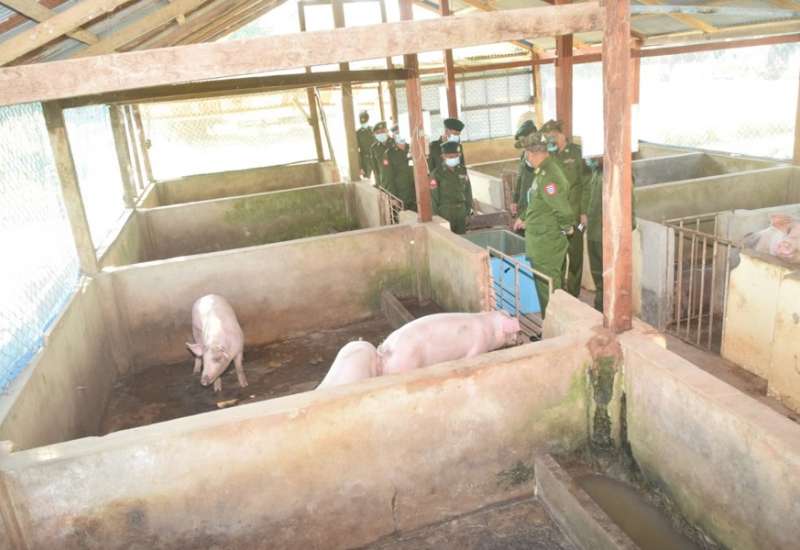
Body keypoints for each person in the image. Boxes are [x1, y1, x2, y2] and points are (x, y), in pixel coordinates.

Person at [512, 132, 576, 318]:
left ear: (531, 153)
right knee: (546, 286)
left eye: (526, 153)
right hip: (541, 239)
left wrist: (566, 228)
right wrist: (525, 217)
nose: (526, 157)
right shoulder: (542, 171)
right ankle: (551, 323)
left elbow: (563, 210)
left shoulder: (549, 176)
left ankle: (552, 325)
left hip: (546, 242)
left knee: (548, 288)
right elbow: (540, 203)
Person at [541, 119, 589, 298]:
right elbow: (548, 183)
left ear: (560, 134)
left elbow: (586, 184)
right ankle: (559, 291)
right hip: (557, 216)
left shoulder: (577, 153)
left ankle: (573, 293)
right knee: (558, 254)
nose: (549, 140)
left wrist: (584, 211)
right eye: (547, 137)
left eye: (551, 136)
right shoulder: (550, 155)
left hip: (576, 215)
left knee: (575, 254)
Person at [584, 155, 637, 312]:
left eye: (594, 155)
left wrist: (622, 231)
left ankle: (612, 311)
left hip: (609, 234)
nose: (591, 158)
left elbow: (628, 205)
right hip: (594, 232)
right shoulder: (596, 171)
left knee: (611, 275)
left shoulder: (619, 173)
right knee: (598, 274)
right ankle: (600, 307)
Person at [430, 140, 473, 234]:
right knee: (446, 239)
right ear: (443, 156)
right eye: (450, 157)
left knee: (461, 239)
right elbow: (433, 198)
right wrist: (435, 218)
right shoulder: (436, 174)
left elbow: (468, 192)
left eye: (456, 156)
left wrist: (469, 211)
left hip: (461, 213)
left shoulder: (462, 171)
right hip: (445, 213)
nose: (453, 159)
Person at [381, 124, 417, 211]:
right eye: (397, 133)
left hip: (415, 195)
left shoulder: (413, 149)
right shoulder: (389, 154)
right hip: (400, 197)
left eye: (402, 133)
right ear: (393, 136)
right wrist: (393, 197)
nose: (400, 135)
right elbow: (388, 178)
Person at [510, 120, 537, 234]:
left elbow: (545, 195)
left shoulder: (543, 159)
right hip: (523, 205)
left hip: (534, 210)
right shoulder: (524, 155)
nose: (524, 146)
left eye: (525, 141)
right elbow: (520, 178)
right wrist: (515, 200)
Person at [356, 110, 377, 179]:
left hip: (375, 157)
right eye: (362, 122)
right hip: (365, 159)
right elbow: (357, 150)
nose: (363, 123)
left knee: (379, 178)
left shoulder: (373, 130)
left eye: (365, 121)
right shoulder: (358, 133)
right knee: (366, 179)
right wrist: (360, 166)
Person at [370, 121, 391, 190]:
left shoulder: (395, 144)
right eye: (378, 133)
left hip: (399, 184)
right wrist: (378, 184)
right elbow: (375, 169)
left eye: (382, 131)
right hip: (384, 184)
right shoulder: (374, 148)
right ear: (375, 135)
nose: (381, 134)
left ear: (387, 131)